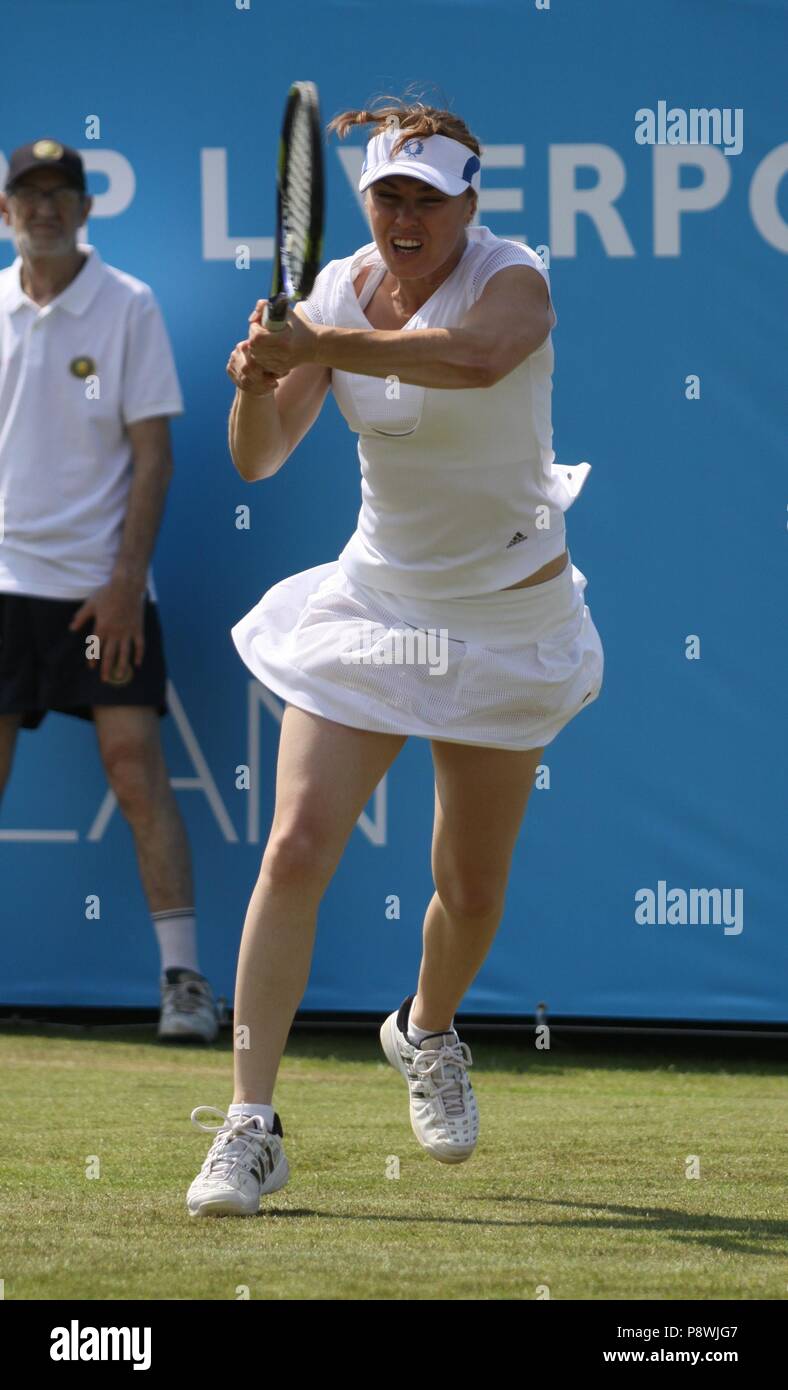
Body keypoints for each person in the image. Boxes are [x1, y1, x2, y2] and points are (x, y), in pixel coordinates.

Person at [186, 101, 604, 1216]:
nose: (406, 215)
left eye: (429, 196)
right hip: (375, 605)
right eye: (388, 196)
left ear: (470, 201)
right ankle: (248, 1123)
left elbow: (471, 362)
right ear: (365, 202)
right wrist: (253, 380)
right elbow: (260, 458)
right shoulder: (333, 291)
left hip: (507, 622)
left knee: (467, 889)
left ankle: (424, 1029)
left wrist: (312, 344)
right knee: (295, 843)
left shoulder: (515, 281)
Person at [0, 138, 219, 1042]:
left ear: (86, 210)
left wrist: (126, 583)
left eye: (62, 192)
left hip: (103, 589)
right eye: (28, 192)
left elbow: (155, 456)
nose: (45, 206)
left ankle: (185, 985)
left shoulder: (129, 305)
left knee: (135, 770)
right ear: (5, 210)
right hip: (4, 586)